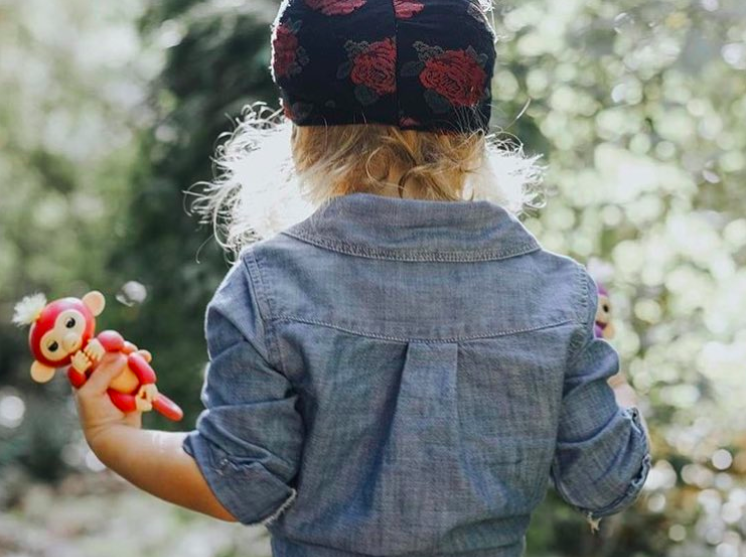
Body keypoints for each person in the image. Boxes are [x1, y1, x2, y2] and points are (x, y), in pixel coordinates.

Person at [72, 1, 652, 556]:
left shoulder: (270, 286)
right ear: (472, 134)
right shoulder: (556, 294)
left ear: (299, 135)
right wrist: (607, 363)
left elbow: (238, 485)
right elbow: (604, 482)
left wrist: (114, 438)